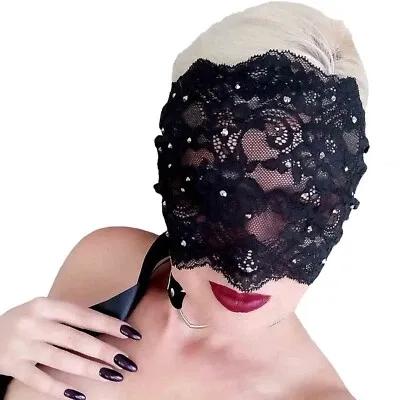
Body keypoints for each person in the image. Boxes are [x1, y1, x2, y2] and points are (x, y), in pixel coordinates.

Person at [0, 1, 370, 399]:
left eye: (295, 208)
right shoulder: (108, 260)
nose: (246, 265)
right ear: (177, 172)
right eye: (225, 195)